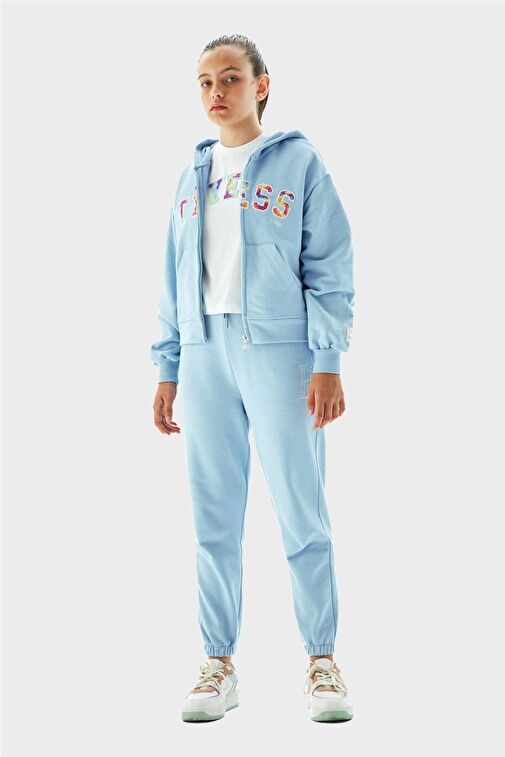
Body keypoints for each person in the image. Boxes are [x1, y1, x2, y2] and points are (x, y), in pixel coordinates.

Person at [150, 34, 355, 724]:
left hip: (280, 353)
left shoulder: (299, 163)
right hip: (203, 354)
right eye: (206, 81)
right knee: (212, 515)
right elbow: (173, 274)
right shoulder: (192, 175)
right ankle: (218, 662)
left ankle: (321, 660)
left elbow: (329, 263)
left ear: (260, 85)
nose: (217, 92)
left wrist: (327, 360)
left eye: (231, 78)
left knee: (301, 509)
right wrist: (168, 366)